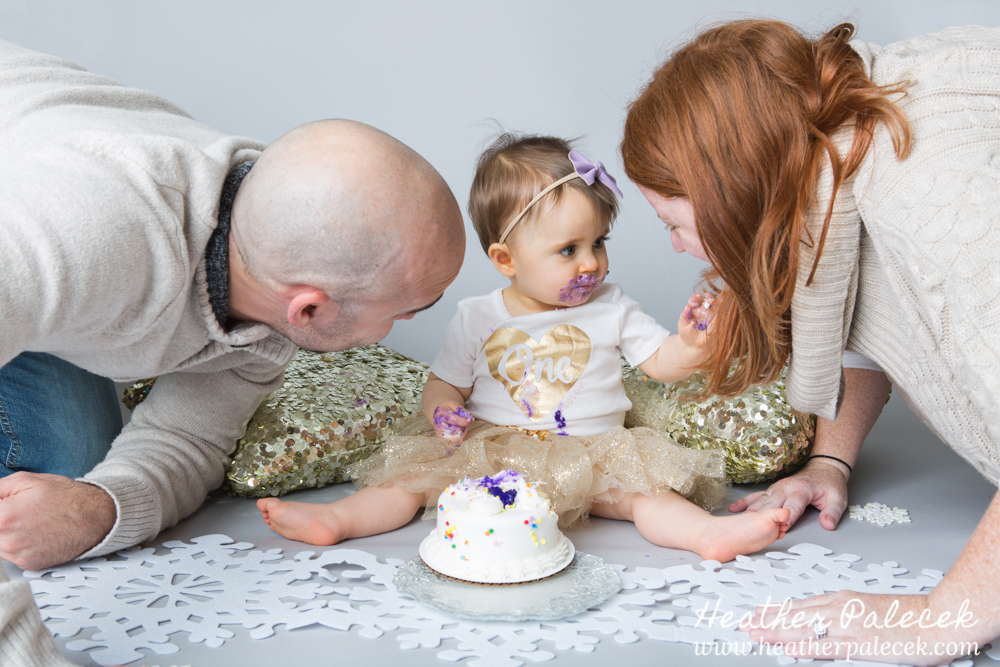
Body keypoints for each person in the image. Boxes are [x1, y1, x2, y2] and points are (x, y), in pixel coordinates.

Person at [0, 39, 464, 665]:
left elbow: (189, 440)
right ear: (310, 309)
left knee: (68, 490)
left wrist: (104, 508)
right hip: (33, 243)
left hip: (33, 272)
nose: (411, 322)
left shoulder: (266, 264)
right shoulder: (90, 234)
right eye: (413, 308)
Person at [622, 19, 1000, 664]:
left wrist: (942, 617)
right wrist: (831, 461)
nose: (678, 249)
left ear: (732, 195)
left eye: (675, 224)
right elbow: (873, 303)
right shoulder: (826, 158)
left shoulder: (936, 208)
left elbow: (927, 266)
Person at [258, 133, 792, 562]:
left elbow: (660, 362)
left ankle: (706, 535)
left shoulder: (612, 306)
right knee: (411, 483)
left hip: (591, 452)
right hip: (492, 450)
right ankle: (338, 519)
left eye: (598, 243)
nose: (591, 264)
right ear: (506, 259)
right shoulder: (479, 316)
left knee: (646, 497)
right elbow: (446, 382)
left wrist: (694, 345)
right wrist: (442, 411)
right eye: (568, 250)